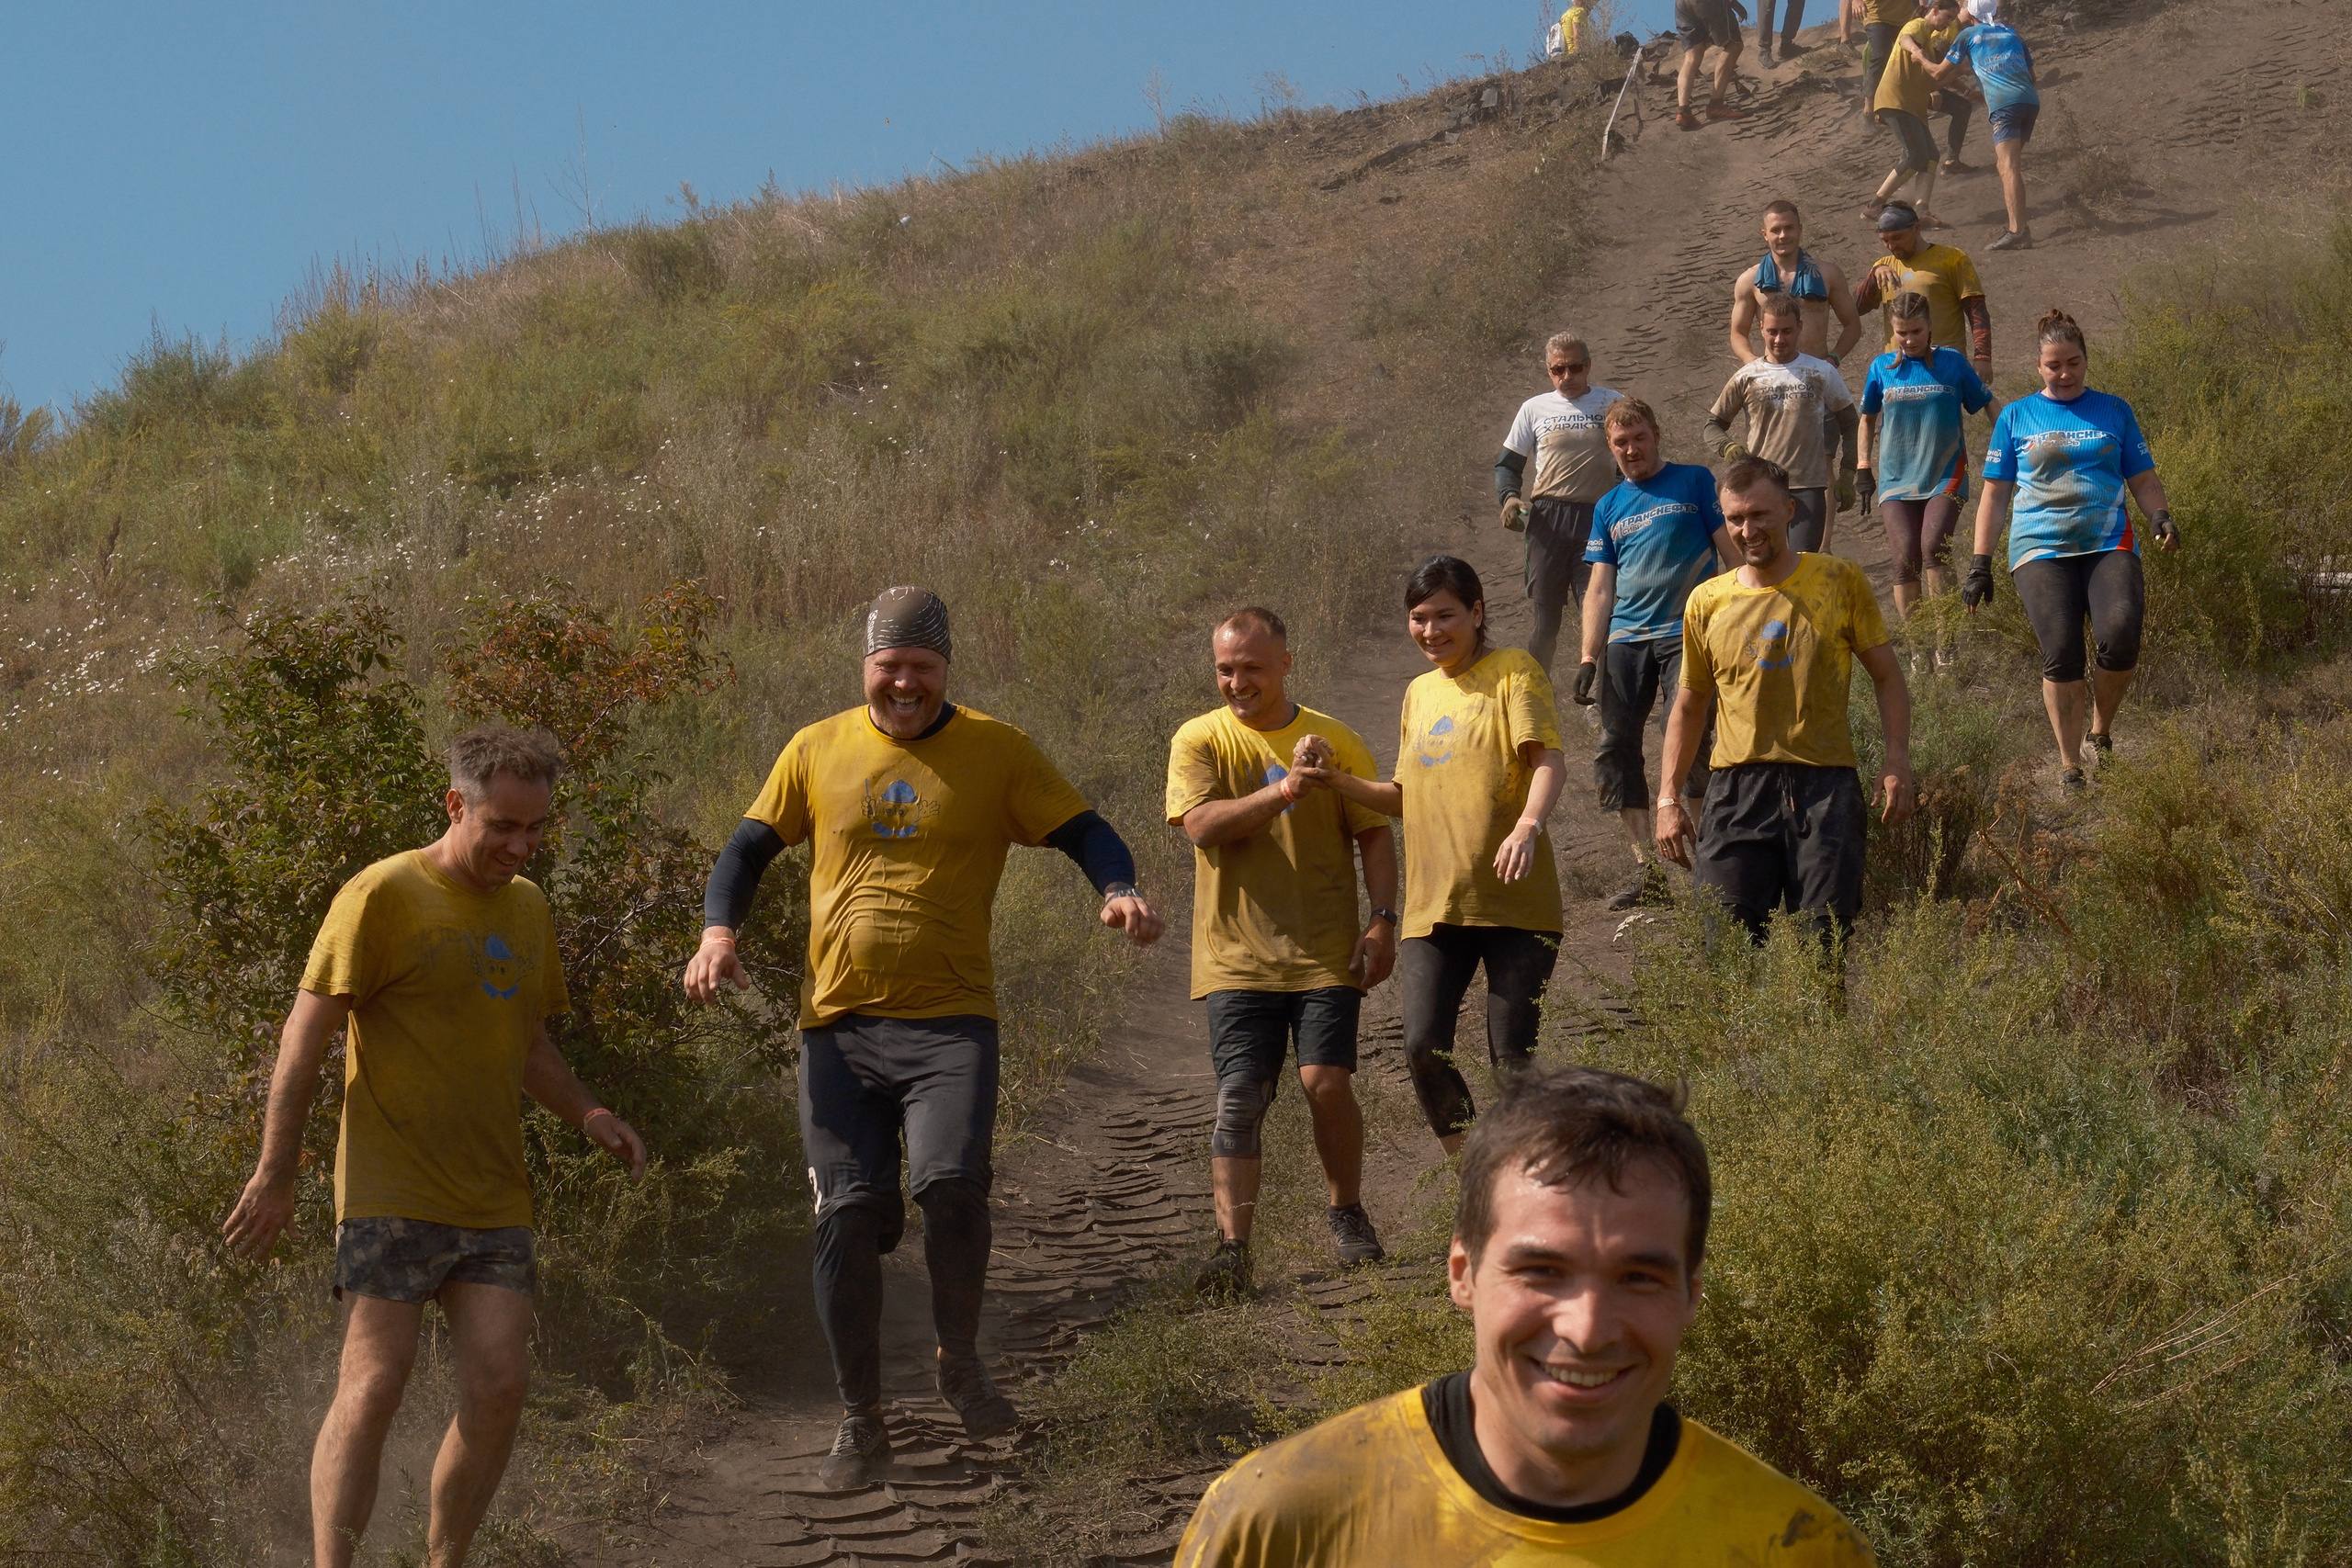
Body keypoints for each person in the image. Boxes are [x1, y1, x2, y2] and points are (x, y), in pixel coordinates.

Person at [683, 586, 1164, 1489]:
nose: (904, 683)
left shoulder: (996, 750)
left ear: (946, 671)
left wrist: (1119, 887)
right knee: (845, 1220)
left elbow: (1084, 830)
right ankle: (861, 1421)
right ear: (865, 667)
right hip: (838, 1032)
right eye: (888, 667)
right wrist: (718, 933)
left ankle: (958, 1360)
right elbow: (746, 850)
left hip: (950, 1029)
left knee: (951, 1192)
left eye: (921, 668)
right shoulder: (815, 748)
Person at [221, 726, 650, 1568]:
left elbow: (527, 1042)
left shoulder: (527, 908)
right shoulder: (382, 893)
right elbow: (304, 1037)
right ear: (458, 805)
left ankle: (443, 1562)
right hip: (391, 1187)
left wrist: (591, 1114)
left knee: (500, 1385)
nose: (521, 847)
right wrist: (276, 1173)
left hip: (493, 1194)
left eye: (536, 830)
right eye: (504, 827)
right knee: (375, 1384)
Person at [1172, 1066, 1879, 1567]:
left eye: (1639, 1276)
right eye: (1541, 1270)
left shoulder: (1794, 1547)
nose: (1587, 1327)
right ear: (1463, 1275)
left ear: (1693, 1294)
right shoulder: (1276, 1526)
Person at [1167, 607, 1398, 1300]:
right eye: (1225, 669)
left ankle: (1346, 1212)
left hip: (1326, 948)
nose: (1237, 682)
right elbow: (1202, 826)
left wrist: (1383, 920)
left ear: (1286, 664)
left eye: (1252, 668)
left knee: (1325, 1082)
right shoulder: (1200, 739)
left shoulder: (1336, 740)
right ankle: (1232, 1249)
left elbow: (1375, 835)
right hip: (1235, 957)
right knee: (1240, 1097)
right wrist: (1286, 790)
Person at [1299, 558, 1566, 1157]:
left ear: (1476, 612)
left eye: (1445, 614)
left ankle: (1530, 1180)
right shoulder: (1418, 693)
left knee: (1512, 1061)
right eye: (1418, 618)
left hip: (1515, 902)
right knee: (1422, 1047)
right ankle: (1476, 1177)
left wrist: (1528, 823)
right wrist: (1333, 780)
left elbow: (1548, 759)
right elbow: (1403, 796)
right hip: (1432, 908)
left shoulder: (1512, 671)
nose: (1430, 629)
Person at [1657, 457, 1916, 950]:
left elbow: (1887, 677)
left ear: (1790, 510)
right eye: (1735, 518)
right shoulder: (1706, 602)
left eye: (1759, 515)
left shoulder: (1839, 581)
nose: (1747, 530)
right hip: (1735, 789)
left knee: (1823, 949)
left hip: (1824, 786)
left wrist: (1896, 757)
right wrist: (1668, 797)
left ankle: (1824, 1031)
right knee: (1727, 952)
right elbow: (1688, 708)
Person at [1964, 310, 2179, 791]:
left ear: (2086, 361)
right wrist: (1980, 563)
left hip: (2109, 541)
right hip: (2039, 548)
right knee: (2062, 651)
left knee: (2120, 634)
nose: (2064, 374)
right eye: (2053, 365)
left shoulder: (2114, 410)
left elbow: (2142, 478)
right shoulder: (2017, 416)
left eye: (2073, 363)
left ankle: (2099, 734)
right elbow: (1995, 495)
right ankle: (2070, 767)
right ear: (2038, 365)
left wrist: (2160, 515)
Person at [1569, 400, 1736, 912]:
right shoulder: (1609, 506)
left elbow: (1727, 547)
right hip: (1626, 638)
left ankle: (1708, 864)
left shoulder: (1693, 482)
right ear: (1610, 447)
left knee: (1685, 735)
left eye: (1638, 438)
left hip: (1686, 631)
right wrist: (1587, 657)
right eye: (1620, 443)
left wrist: (1747, 607)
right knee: (1615, 747)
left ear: (1656, 434)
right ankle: (1650, 871)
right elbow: (1600, 587)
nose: (1631, 449)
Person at [1860, 289, 1996, 617]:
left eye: (1916, 331)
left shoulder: (1952, 362)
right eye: (1901, 332)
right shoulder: (1881, 368)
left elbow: (1989, 403)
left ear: (1930, 325)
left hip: (1946, 474)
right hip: (1897, 477)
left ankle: (1945, 645)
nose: (1908, 339)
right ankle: (1919, 649)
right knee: (1904, 558)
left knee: (1934, 546)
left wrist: (2009, 449)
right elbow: (1867, 418)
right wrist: (1863, 466)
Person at [1495, 333, 1624, 674]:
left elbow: (1634, 453)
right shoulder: (1534, 408)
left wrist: (1623, 497)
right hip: (1548, 520)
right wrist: (1509, 498)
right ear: (1549, 371)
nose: (1567, 376)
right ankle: (1537, 691)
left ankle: (1598, 699)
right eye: (1558, 370)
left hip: (1597, 517)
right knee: (1546, 619)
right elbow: (1508, 465)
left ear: (1589, 366)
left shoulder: (1611, 403)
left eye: (1575, 368)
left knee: (1596, 611)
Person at [1706, 292, 1860, 556]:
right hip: (1761, 489)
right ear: (1761, 329)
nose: (1779, 339)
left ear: (1800, 327)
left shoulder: (1821, 372)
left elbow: (1850, 424)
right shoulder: (1748, 376)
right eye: (1773, 332)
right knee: (1767, 563)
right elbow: (1712, 425)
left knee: (1802, 565)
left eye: (1787, 331)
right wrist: (1727, 447)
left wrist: (1847, 473)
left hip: (1808, 488)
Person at [1853, 201, 1991, 382]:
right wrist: (1874, 275)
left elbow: (1976, 310)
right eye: (1885, 240)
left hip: (1943, 364)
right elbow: (1855, 308)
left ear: (1917, 229)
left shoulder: (1952, 259)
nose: (1891, 246)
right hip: (1899, 369)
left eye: (1897, 238)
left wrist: (1982, 357)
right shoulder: (1883, 268)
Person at [1946, 0, 2041, 248]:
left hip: (2004, 104)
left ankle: (2018, 232)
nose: (1960, 8)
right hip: (2030, 101)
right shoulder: (2011, 32)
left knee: (2008, 167)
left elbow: (1937, 73)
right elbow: (2032, 76)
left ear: (1971, 14)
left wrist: (1917, 54)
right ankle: (2019, 227)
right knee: (2007, 165)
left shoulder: (1967, 34)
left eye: (1964, 5)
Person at [1864, 0, 1966, 225]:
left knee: (1931, 155)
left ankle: (1922, 212)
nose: (1948, 23)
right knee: (1915, 155)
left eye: (1952, 20)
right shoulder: (1919, 25)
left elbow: (1931, 85)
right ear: (1935, 9)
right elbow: (1904, 38)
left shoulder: (1928, 43)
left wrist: (1959, 74)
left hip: (1912, 105)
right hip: (1896, 100)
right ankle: (1874, 206)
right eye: (1947, 17)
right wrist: (1916, 50)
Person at [1728, 201, 1864, 369]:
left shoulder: (1829, 274)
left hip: (1817, 372)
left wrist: (1834, 358)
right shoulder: (1750, 281)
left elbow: (1852, 324)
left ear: (1800, 229)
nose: (1783, 235)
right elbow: (1738, 332)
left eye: (1789, 228)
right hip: (1772, 374)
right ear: (1765, 234)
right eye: (1775, 230)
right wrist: (1750, 359)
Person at [1674, 0, 1749, 130]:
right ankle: (1716, 105)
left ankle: (1683, 112)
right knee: (1734, 45)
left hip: (1682, 5)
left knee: (1692, 57)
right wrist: (1735, 4)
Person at [1858, 0, 1917, 111]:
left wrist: (1922, 8)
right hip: (1876, 16)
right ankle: (1869, 105)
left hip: (1905, 15)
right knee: (1881, 56)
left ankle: (1910, 102)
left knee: (1911, 57)